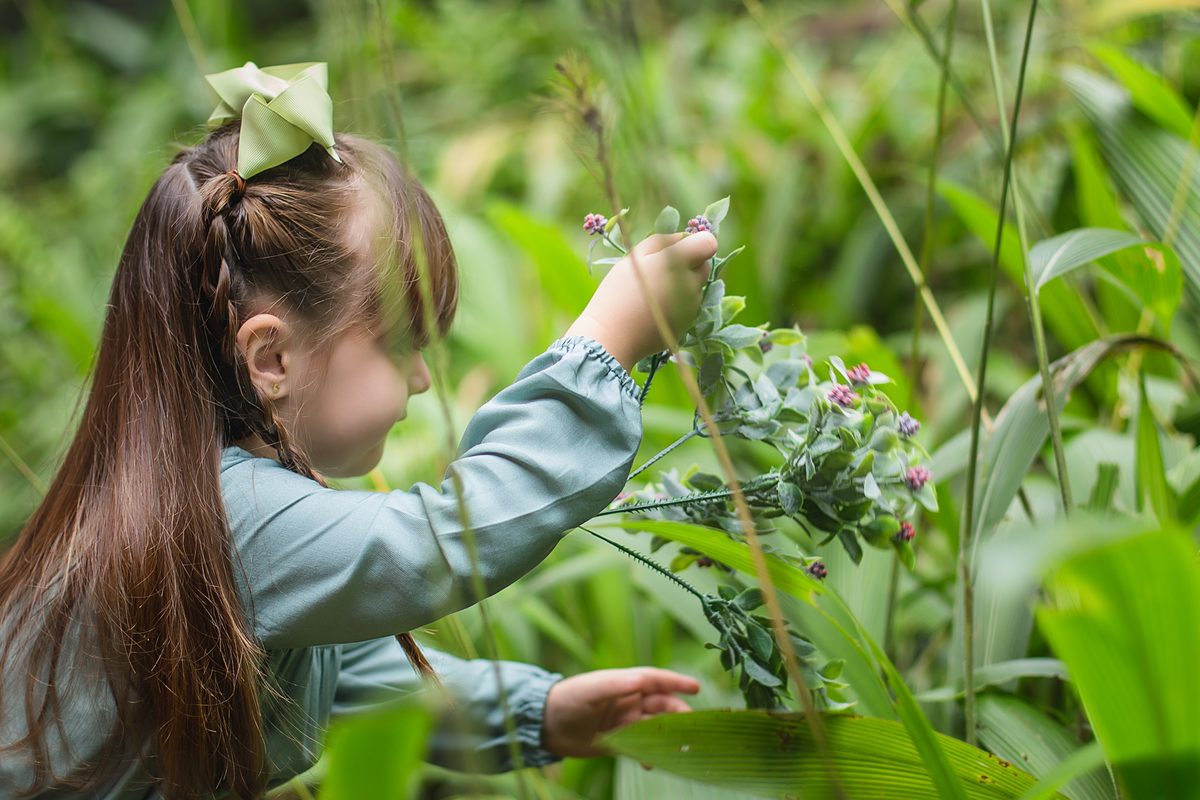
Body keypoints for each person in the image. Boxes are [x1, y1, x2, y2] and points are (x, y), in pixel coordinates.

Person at [0, 63, 717, 799]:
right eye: (403, 345)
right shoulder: (228, 516)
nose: (422, 380)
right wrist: (604, 348)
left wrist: (538, 713)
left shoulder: (193, 498)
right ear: (271, 357)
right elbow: (435, 544)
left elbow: (346, 675)